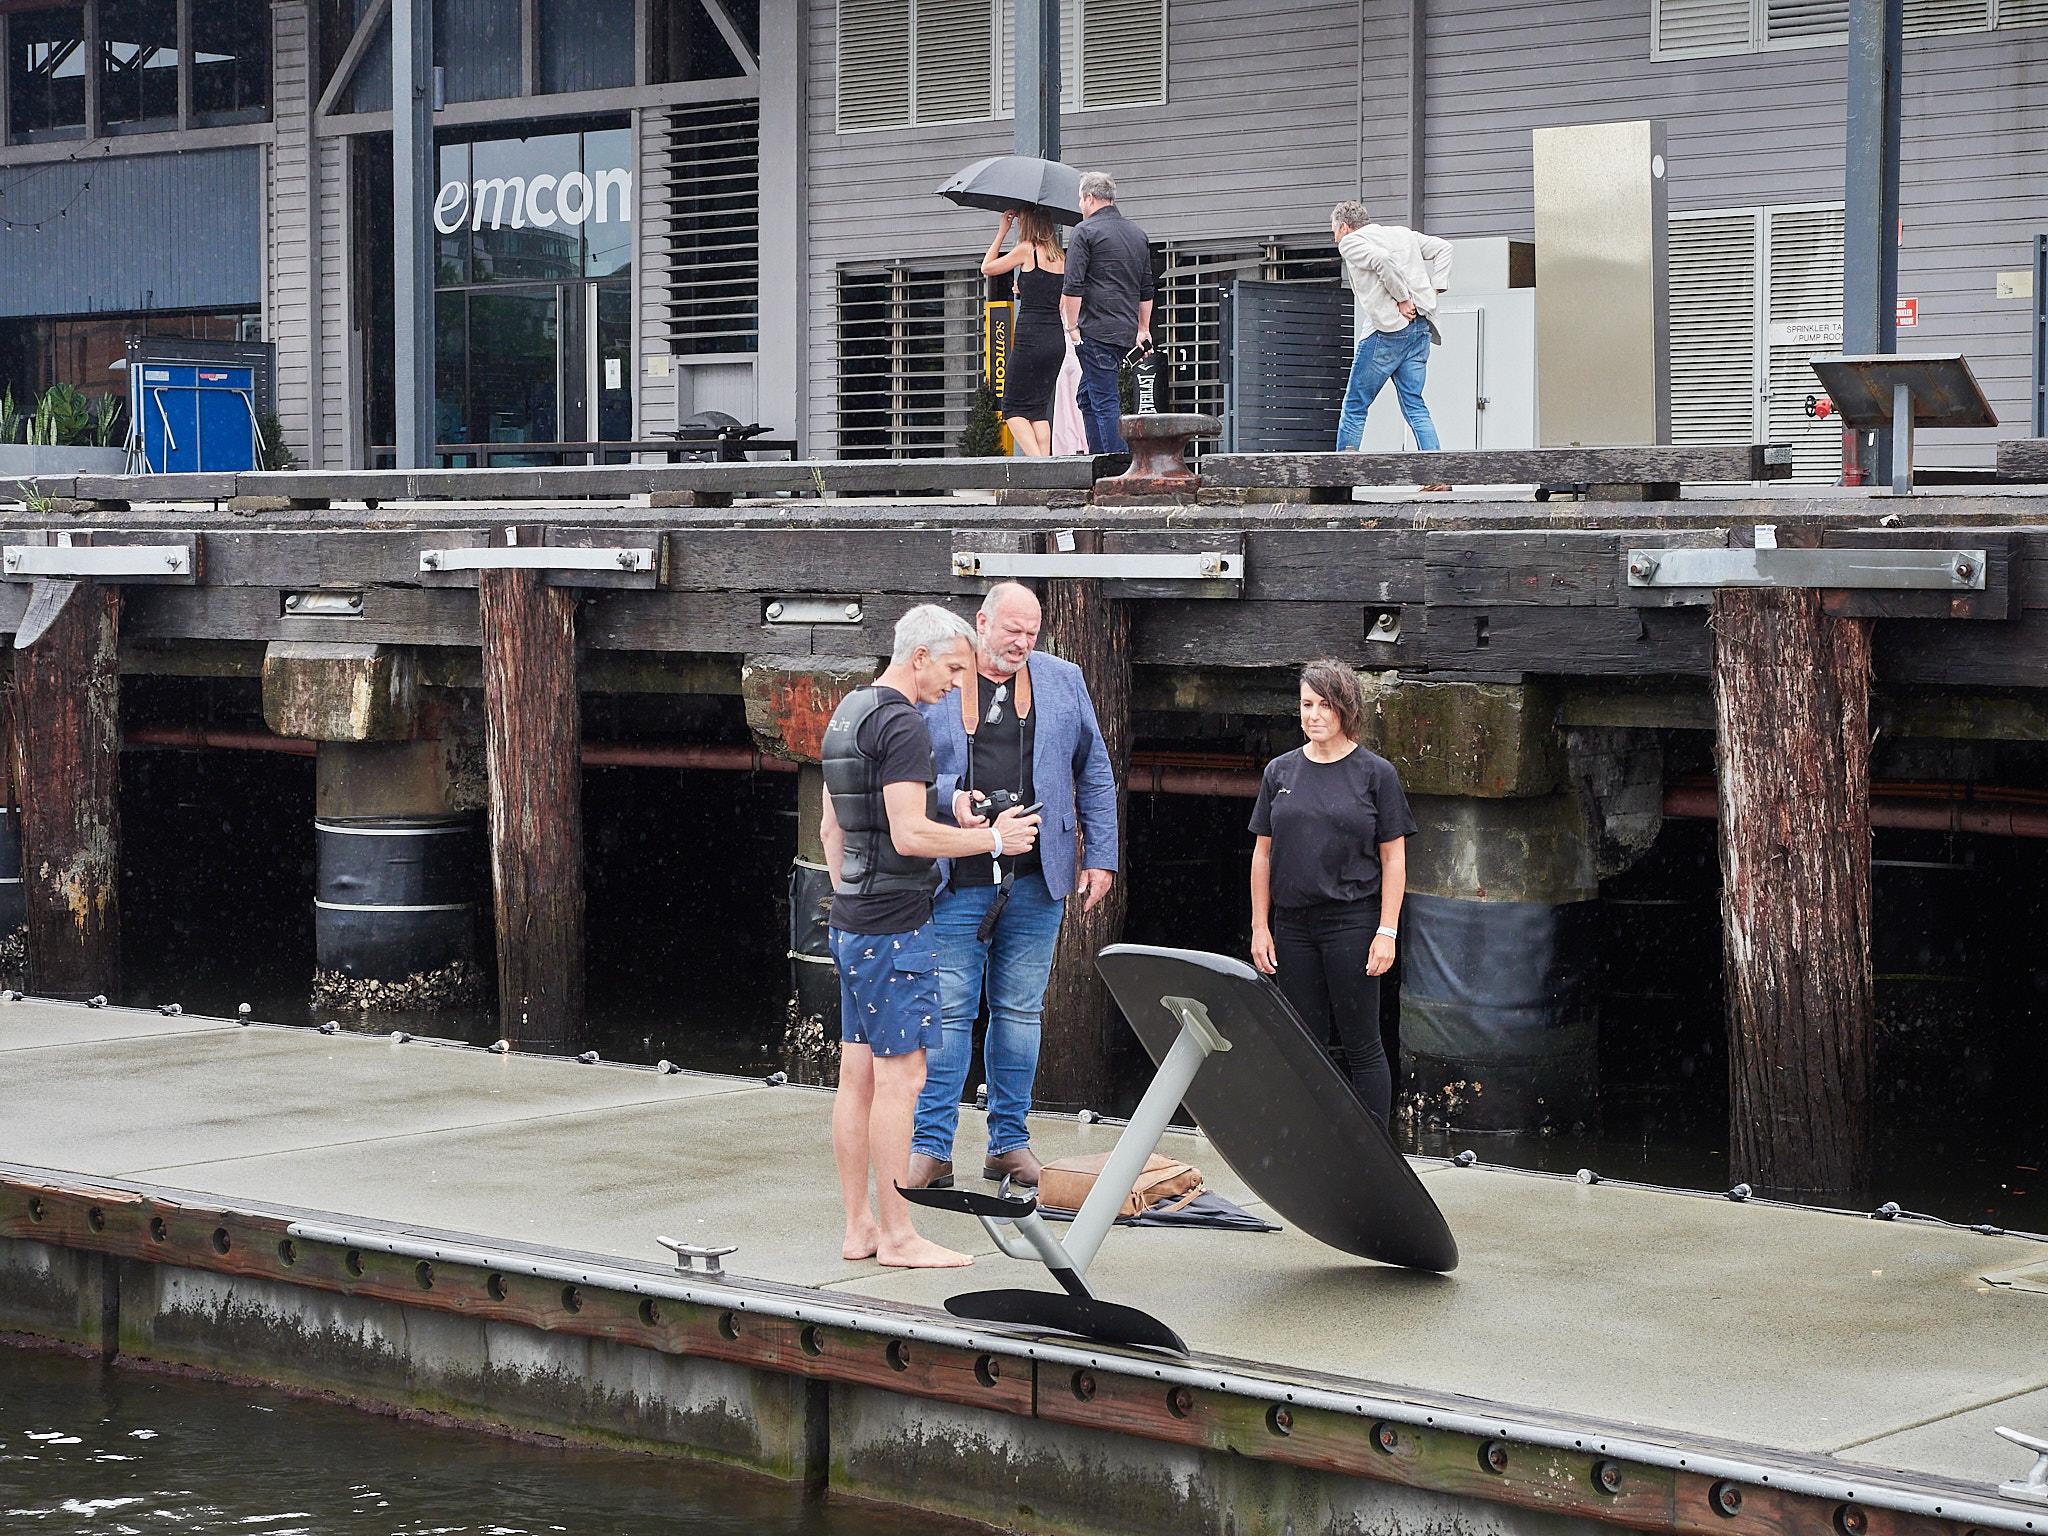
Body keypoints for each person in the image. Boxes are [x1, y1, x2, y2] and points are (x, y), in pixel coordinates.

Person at [820, 604, 1042, 1267]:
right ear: (918, 657)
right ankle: (898, 1236)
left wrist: (853, 898)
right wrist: (992, 839)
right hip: (895, 927)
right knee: (903, 1078)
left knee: (856, 1078)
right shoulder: (904, 724)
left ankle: (859, 1228)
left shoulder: (848, 712)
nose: (955, 683)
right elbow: (911, 834)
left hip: (852, 919)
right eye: (951, 668)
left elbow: (833, 829)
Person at [906, 581, 1119, 1191]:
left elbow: (1094, 771)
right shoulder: (941, 677)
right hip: (955, 875)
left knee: (1021, 1013)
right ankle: (931, 1148)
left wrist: (1101, 857)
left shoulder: (1063, 679)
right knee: (948, 1015)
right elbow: (900, 770)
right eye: (1011, 631)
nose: (1023, 643)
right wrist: (952, 799)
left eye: (1032, 632)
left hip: (1037, 876)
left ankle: (1008, 1143)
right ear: (982, 623)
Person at [1247, 659, 1418, 1128]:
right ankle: (1310, 1140)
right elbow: (1262, 854)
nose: (1314, 715)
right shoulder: (1279, 772)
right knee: (1304, 1043)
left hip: (1352, 922)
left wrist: (1387, 931)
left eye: (1325, 705)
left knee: (1362, 1043)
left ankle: (1373, 1147)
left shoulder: (1375, 774)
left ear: (1346, 709)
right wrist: (1260, 926)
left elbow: (1394, 859)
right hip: (1292, 925)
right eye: (1307, 705)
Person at [1330, 197, 1453, 492]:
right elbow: (1444, 248)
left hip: (1386, 334)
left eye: (1333, 231)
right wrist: (1434, 289)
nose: (1334, 238)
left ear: (1344, 227)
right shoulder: (1401, 234)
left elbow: (1382, 261)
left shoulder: (1351, 242)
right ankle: (1436, 475)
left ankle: (1340, 479)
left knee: (1355, 405)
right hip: (1420, 329)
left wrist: (1403, 299)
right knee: (1414, 404)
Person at [1060, 171, 1155, 456]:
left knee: (1104, 401)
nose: (1080, 205)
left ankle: (1118, 465)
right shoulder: (1137, 234)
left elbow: (1073, 286)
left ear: (1090, 197)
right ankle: (1098, 460)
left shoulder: (1084, 231)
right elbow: (1146, 288)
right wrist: (1143, 329)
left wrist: (1072, 328)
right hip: (1124, 331)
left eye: (1081, 199)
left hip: (1095, 330)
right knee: (1087, 398)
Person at [980, 207, 1066, 457]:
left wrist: (1002, 231)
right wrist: (1024, 289)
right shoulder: (1061, 257)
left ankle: (1038, 465)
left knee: (1012, 409)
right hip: (1055, 340)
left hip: (1031, 339)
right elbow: (1057, 298)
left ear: (1029, 224)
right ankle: (1047, 466)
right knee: (1037, 410)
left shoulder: (1027, 249)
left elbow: (987, 267)